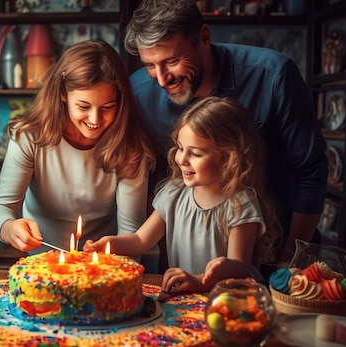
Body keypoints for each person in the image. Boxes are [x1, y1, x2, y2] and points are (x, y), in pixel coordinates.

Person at [124, 0, 328, 268]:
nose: (161, 79)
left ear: (205, 37)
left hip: (276, 255)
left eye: (172, 61)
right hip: (181, 265)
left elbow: (311, 171)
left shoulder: (274, 77)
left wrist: (290, 261)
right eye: (150, 65)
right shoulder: (138, 93)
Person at [85, 97, 281, 293]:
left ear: (229, 158)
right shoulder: (174, 193)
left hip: (230, 298)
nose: (182, 159)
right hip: (186, 296)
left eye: (195, 153)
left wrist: (203, 280)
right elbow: (140, 240)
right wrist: (107, 244)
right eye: (180, 148)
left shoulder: (240, 203)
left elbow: (239, 267)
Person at [0, 39, 156, 253]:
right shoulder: (29, 137)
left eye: (108, 106)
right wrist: (9, 228)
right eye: (84, 106)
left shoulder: (130, 147)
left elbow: (131, 234)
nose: (95, 119)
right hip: (41, 266)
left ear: (120, 101)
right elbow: (0, 208)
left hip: (104, 268)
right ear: (63, 94)